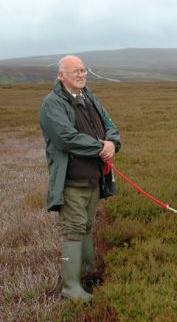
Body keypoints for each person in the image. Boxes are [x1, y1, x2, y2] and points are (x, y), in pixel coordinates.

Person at [39, 55, 121, 302]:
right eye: (74, 71)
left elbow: (109, 123)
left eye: (83, 70)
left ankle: (86, 271)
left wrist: (112, 143)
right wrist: (100, 147)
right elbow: (66, 138)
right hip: (72, 179)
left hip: (94, 177)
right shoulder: (51, 104)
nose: (81, 74)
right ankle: (70, 286)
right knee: (73, 230)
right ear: (61, 75)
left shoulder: (89, 97)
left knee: (86, 225)